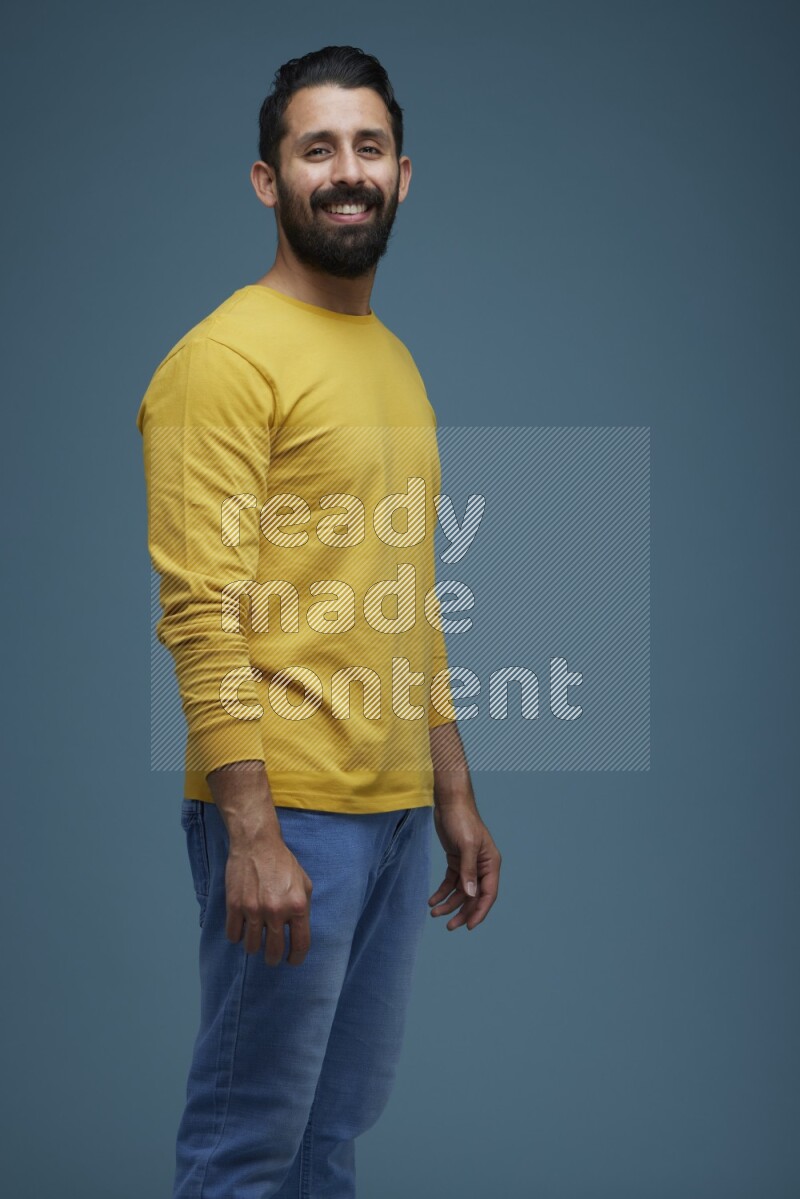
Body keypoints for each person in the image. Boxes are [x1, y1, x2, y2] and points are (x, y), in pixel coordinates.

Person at [137, 44, 502, 1199]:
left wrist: (449, 786)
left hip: (391, 813)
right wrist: (251, 830)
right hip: (286, 807)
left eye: (368, 147)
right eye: (316, 149)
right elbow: (200, 608)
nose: (345, 171)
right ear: (268, 179)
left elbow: (403, 596)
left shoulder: (391, 361)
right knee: (249, 1142)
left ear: (402, 174)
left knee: (329, 1138)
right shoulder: (223, 358)